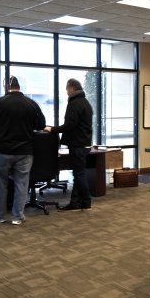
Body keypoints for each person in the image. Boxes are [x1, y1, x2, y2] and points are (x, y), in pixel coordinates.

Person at [0, 76, 46, 225]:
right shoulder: (31, 103)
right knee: (21, 184)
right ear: (20, 87)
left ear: (6, 86)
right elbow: (41, 125)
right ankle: (17, 217)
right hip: (25, 152)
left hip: (2, 151)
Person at [45, 78, 93, 210]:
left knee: (79, 174)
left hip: (77, 144)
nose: (66, 92)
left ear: (71, 88)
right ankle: (76, 203)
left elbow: (70, 125)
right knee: (78, 174)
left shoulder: (75, 103)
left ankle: (87, 201)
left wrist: (52, 129)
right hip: (83, 143)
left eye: (67, 89)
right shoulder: (85, 102)